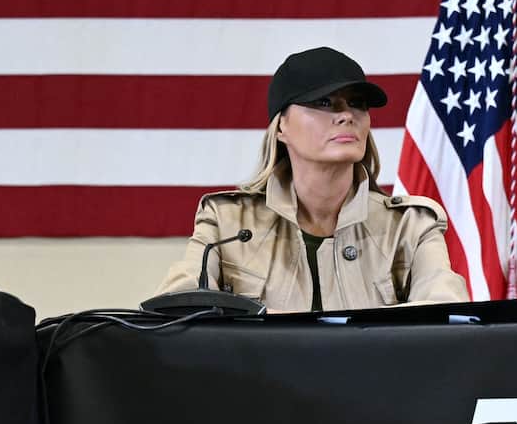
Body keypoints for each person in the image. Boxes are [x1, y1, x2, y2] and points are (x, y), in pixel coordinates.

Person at [157, 47, 468, 311]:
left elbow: (446, 321)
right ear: (281, 127)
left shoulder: (411, 227)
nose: (347, 115)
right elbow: (177, 313)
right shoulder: (226, 222)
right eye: (324, 102)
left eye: (357, 103)